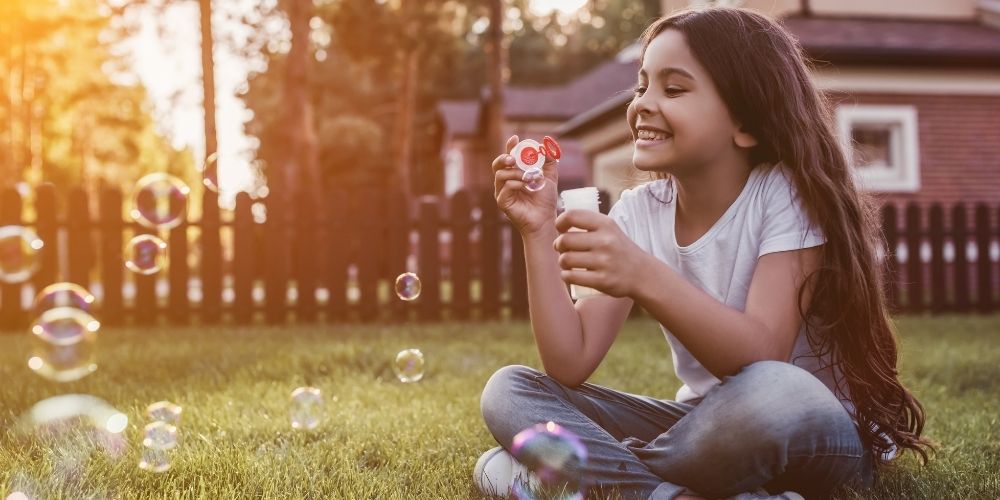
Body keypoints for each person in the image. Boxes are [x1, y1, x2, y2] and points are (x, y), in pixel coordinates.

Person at [474, 6, 932, 500]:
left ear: (746, 123)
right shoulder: (638, 213)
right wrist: (538, 229)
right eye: (642, 85)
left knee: (771, 392)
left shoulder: (785, 194)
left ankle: (597, 474)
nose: (644, 103)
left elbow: (761, 354)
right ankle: (665, 493)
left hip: (809, 431)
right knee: (510, 390)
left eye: (673, 89)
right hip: (705, 427)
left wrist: (643, 274)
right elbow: (570, 362)